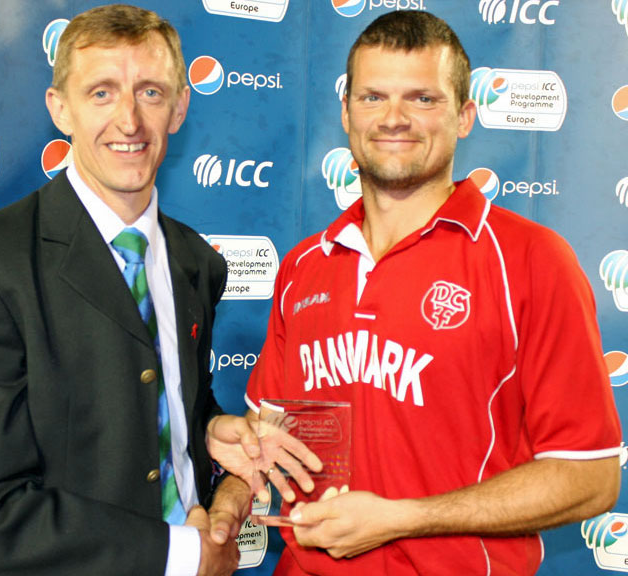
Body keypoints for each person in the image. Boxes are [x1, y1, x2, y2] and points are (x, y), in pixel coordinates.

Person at [244, 10, 622, 576]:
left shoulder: (531, 260)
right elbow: (263, 438)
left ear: (466, 116)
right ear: (346, 113)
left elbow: (589, 478)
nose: (394, 119)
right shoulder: (304, 265)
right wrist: (226, 505)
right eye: (372, 98)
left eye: (423, 99)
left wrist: (402, 519)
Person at [0, 5, 275, 575]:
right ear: (59, 108)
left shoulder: (198, 261)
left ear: (181, 107)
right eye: (101, 93)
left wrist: (212, 428)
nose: (129, 121)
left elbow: (163, 401)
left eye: (151, 93)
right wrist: (186, 555)